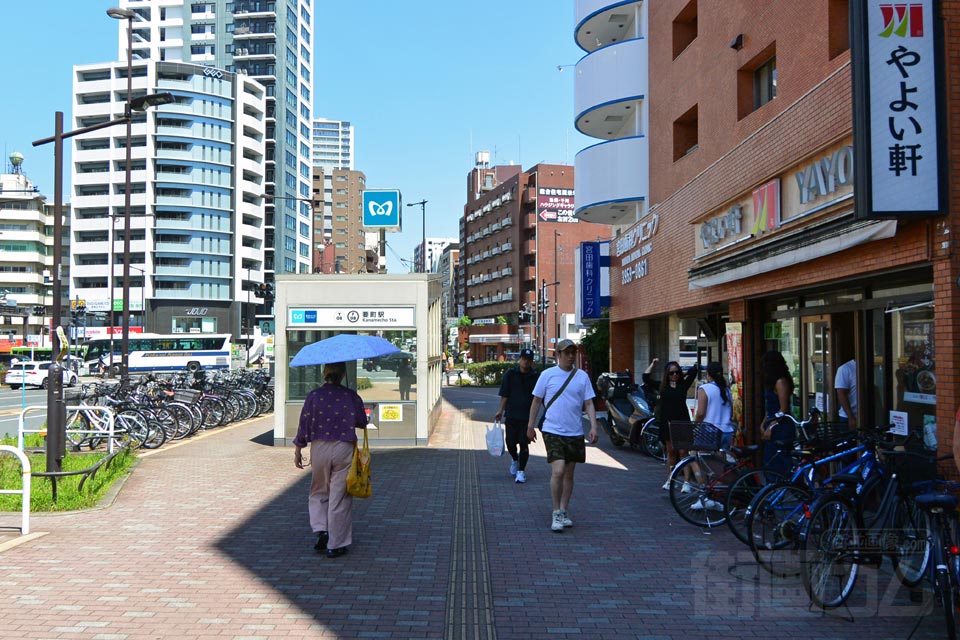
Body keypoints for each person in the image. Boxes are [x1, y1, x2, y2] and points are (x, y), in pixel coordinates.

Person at [293, 361, 368, 558]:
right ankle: (336, 544)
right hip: (343, 447)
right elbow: (362, 422)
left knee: (318, 490)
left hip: (319, 447)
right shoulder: (350, 396)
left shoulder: (314, 396)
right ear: (343, 374)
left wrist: (298, 449)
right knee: (340, 496)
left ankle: (321, 530)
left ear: (324, 373)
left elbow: (304, 423)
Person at [526, 339, 599, 532]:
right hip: (552, 430)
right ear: (558, 354)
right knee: (558, 470)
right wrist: (530, 426)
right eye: (566, 353)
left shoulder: (582, 377)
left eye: (573, 353)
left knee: (569, 474)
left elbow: (589, 403)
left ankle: (564, 509)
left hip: (575, 431)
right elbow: (536, 401)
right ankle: (556, 511)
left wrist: (593, 427)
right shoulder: (547, 375)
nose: (570, 356)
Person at [688, 361, 737, 511]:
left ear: (707, 374)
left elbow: (701, 413)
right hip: (726, 431)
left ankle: (704, 495)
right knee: (719, 465)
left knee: (694, 456)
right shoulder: (726, 389)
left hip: (709, 430)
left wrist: (695, 426)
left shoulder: (705, 388)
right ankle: (717, 498)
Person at [644, 358, 699, 491]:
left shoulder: (683, 385)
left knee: (683, 452)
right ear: (666, 375)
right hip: (667, 423)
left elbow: (693, 371)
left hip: (682, 422)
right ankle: (670, 480)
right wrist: (653, 364)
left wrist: (682, 374)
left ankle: (686, 483)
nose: (674, 375)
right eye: (671, 373)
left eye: (676, 372)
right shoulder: (662, 387)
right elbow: (646, 378)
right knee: (671, 452)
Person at [494, 348, 539, 483]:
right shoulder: (511, 374)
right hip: (512, 414)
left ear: (532, 362)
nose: (526, 362)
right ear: (520, 359)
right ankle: (514, 459)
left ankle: (521, 471)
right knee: (510, 443)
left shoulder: (535, 376)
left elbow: (539, 397)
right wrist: (500, 410)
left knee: (524, 444)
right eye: (524, 359)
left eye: (529, 360)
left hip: (527, 417)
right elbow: (505, 394)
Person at [759, 350, 795, 476]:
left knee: (780, 460)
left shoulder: (781, 382)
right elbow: (769, 408)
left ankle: (783, 488)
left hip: (782, 426)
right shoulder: (772, 382)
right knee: (770, 460)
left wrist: (771, 426)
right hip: (772, 421)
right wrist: (763, 423)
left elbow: (783, 409)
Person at [834, 358, 857, 430]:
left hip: (866, 416)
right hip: (848, 417)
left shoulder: (868, 367)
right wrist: (850, 417)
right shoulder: (845, 369)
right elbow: (841, 394)